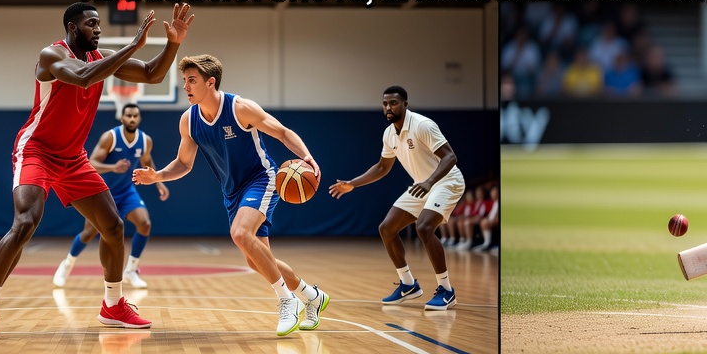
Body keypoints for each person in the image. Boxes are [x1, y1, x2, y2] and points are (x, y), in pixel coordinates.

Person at [0, 2, 194, 340]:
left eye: (99, 24)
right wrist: (132, 44)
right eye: (92, 24)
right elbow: (85, 78)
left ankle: (113, 304)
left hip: (73, 158)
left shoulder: (99, 56)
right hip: (37, 151)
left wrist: (173, 43)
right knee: (26, 222)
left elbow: (153, 74)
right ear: (73, 28)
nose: (98, 29)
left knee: (114, 227)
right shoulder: (51, 56)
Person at [132, 54, 329, 337]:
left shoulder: (240, 108)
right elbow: (184, 163)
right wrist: (158, 176)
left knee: (239, 233)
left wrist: (307, 156)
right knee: (254, 258)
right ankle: (312, 296)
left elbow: (283, 133)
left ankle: (287, 301)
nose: (185, 86)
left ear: (210, 82)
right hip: (232, 191)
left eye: (192, 80)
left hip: (262, 179)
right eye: (184, 80)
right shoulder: (188, 120)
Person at [327, 86, 465, 312]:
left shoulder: (422, 125)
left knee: (424, 227)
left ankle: (446, 290)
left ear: (405, 104)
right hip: (422, 185)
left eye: (393, 103)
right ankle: (408, 285)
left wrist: (429, 182)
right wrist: (353, 183)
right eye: (385, 104)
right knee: (387, 228)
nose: (388, 107)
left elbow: (450, 157)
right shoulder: (389, 133)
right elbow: (382, 167)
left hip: (446, 182)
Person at [54, 103, 170, 289]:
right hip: (103, 193)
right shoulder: (110, 137)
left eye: (135, 116)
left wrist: (159, 182)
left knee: (144, 223)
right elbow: (91, 163)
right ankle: (67, 264)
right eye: (128, 116)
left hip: (126, 191)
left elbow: (147, 161)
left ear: (139, 118)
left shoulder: (145, 140)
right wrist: (113, 167)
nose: (132, 119)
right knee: (88, 233)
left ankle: (131, 270)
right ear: (122, 118)